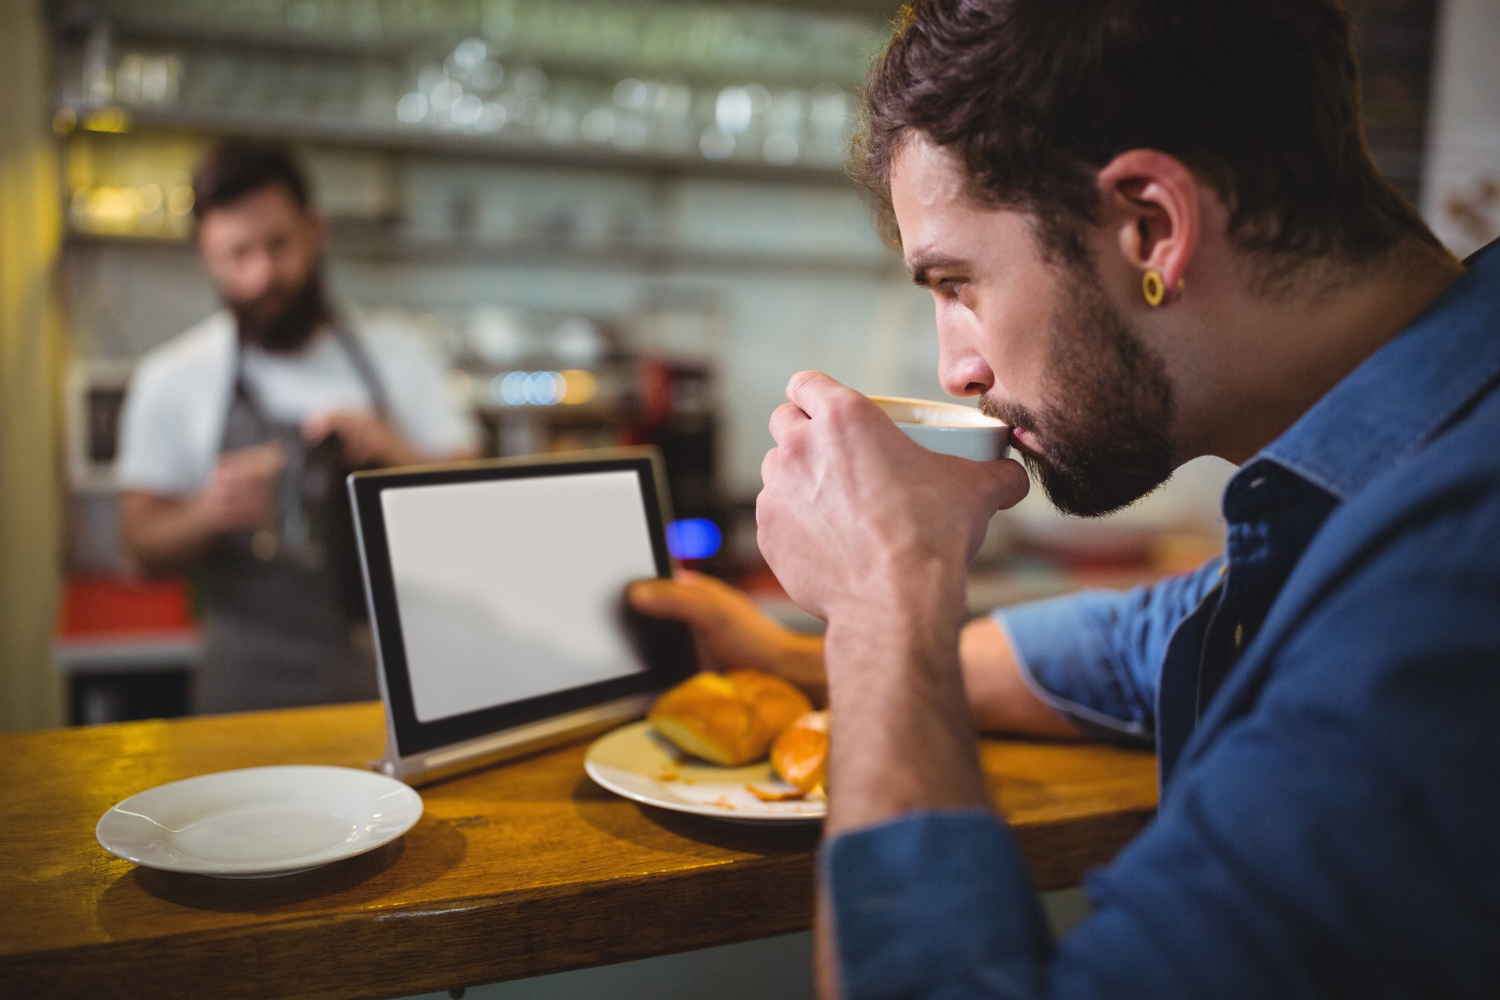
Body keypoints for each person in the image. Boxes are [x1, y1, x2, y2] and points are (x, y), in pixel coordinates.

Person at [628, 0, 1500, 996]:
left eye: (959, 284)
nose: (958, 367)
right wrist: (797, 658)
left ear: (1151, 228)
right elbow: (1145, 639)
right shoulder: (1402, 460)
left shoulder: (1457, 576)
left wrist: (884, 599)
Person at [118, 142, 478, 713]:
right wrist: (210, 510)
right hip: (244, 685)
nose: (263, 274)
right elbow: (140, 545)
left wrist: (394, 450)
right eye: (238, 255)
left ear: (315, 231)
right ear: (207, 258)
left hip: (388, 677)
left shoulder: (400, 353)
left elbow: (474, 498)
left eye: (278, 245)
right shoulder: (172, 378)